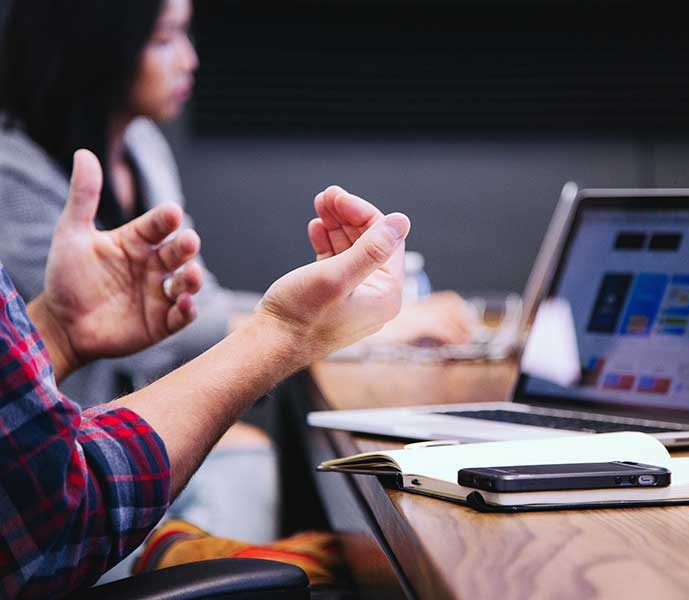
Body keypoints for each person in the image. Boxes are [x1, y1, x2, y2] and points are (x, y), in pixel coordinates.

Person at [0, 0, 473, 548]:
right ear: (96, 47)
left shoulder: (141, 148)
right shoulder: (13, 177)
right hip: (70, 476)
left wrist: (59, 331)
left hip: (100, 453)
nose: (190, 60)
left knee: (250, 453)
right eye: (165, 39)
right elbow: (65, 503)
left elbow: (189, 305)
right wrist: (311, 327)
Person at [0, 148, 411, 599]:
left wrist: (56, 334)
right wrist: (283, 334)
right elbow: (58, 509)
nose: (192, 70)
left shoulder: (143, 145)